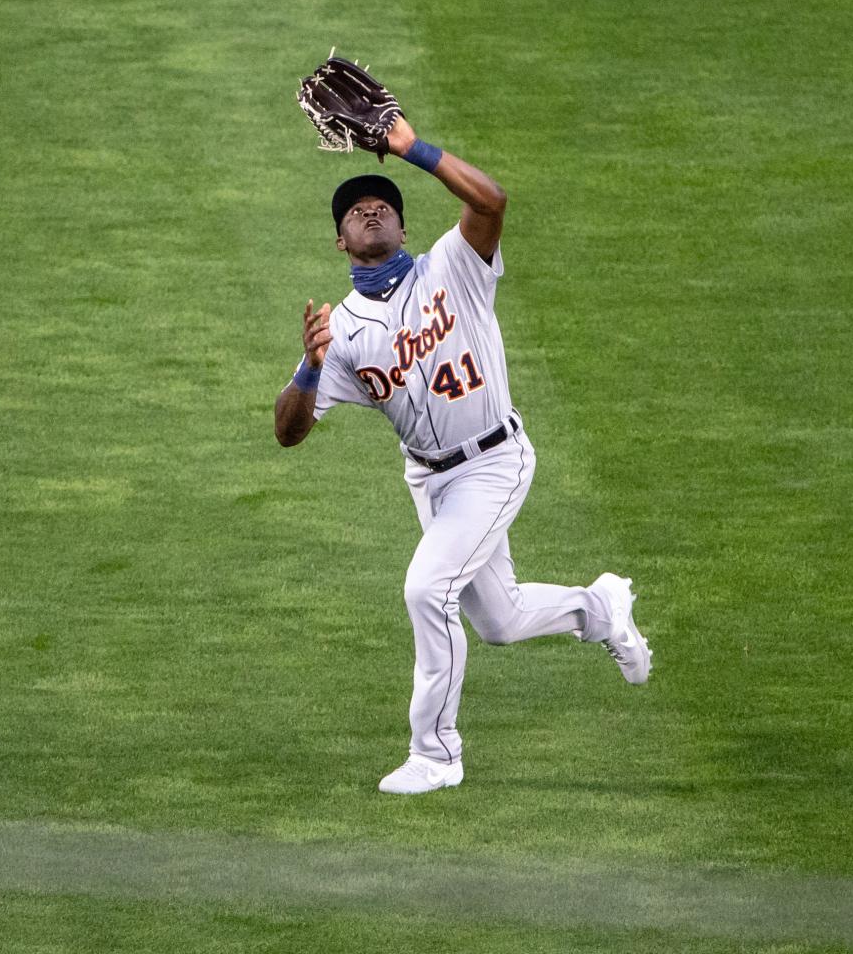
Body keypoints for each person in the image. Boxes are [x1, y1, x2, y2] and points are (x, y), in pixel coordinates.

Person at [274, 113, 652, 795]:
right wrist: (307, 368)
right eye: (355, 210)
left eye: (383, 203)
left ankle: (437, 754)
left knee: (426, 588)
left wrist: (408, 147)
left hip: (495, 461)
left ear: (403, 228)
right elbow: (288, 431)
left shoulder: (456, 264)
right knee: (499, 620)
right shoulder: (343, 332)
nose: (370, 206)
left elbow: (491, 200)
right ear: (339, 241)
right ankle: (600, 609)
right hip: (432, 481)